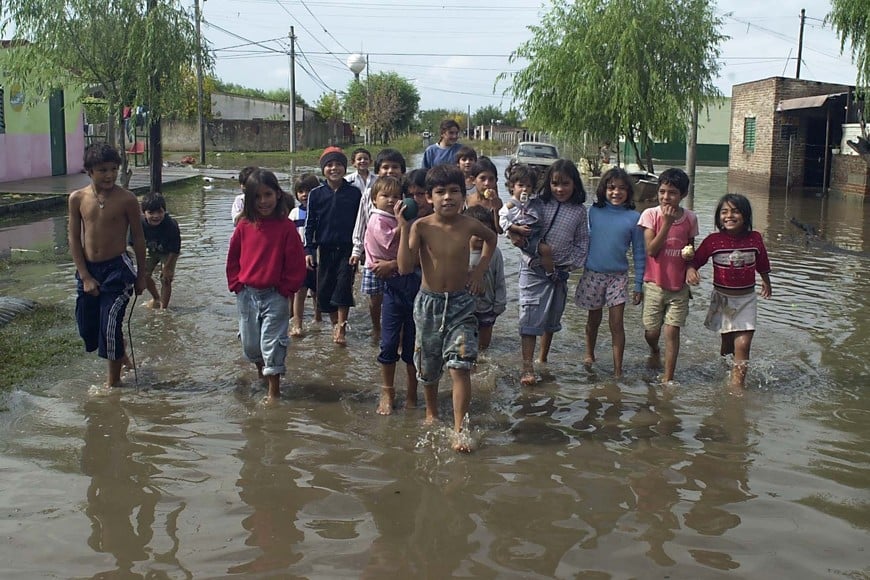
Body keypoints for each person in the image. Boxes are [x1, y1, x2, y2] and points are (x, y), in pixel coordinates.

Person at [396, 164, 497, 452]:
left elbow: (491, 238)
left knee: (460, 366)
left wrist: (478, 272)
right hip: (429, 304)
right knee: (427, 367)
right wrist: (404, 229)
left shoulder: (468, 224)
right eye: (440, 192)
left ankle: (460, 429)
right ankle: (431, 411)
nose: (447, 197)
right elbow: (404, 267)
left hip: (461, 304)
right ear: (428, 197)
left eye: (454, 191)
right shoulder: (422, 226)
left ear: (464, 196)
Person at [68, 142, 146, 388]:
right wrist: (85, 276)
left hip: (117, 270)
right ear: (89, 171)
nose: (109, 175)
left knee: (110, 325)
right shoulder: (77, 198)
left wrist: (141, 275)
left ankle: (112, 384)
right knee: (88, 329)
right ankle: (121, 355)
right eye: (102, 170)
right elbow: (73, 237)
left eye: (114, 169)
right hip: (88, 269)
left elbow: (139, 238)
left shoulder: (128, 199)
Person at [227, 169, 306, 401]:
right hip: (247, 295)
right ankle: (262, 373)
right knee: (251, 346)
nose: (263, 201)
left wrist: (286, 290)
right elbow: (233, 258)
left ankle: (274, 393)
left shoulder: (286, 228)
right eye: (257, 197)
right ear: (249, 200)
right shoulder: (244, 226)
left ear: (278, 195)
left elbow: (296, 264)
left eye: (268, 194)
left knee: (272, 343)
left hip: (275, 296)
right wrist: (236, 284)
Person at [511, 159, 589, 386]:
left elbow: (582, 243)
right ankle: (527, 366)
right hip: (532, 269)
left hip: (560, 274)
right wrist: (516, 235)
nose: (560, 189)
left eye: (565, 184)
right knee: (530, 316)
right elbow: (516, 223)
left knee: (551, 319)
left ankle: (542, 358)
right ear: (548, 184)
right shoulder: (537, 204)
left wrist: (569, 265)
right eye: (555, 183)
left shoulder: (579, 212)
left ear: (575, 184)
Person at [687, 193, 772, 391]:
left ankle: (737, 387)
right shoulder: (713, 241)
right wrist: (690, 270)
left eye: (735, 211)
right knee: (727, 343)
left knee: (742, 343)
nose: (729, 216)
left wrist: (766, 281)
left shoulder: (755, 238)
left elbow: (762, 263)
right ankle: (724, 368)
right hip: (722, 299)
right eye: (724, 212)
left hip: (746, 299)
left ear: (745, 216)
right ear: (718, 217)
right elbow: (696, 261)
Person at [573, 167, 645, 378]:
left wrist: (638, 285)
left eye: (622, 189)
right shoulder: (594, 212)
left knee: (616, 323)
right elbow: (582, 240)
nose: (616, 192)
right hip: (593, 273)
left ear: (629, 192)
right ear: (603, 189)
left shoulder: (634, 217)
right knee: (593, 320)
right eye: (611, 188)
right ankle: (589, 354)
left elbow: (639, 253)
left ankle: (617, 369)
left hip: (618, 277)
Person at [362, 176, 422, 415]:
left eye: (396, 196)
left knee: (412, 347)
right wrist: (403, 224)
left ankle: (412, 392)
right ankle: (387, 391)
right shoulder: (379, 219)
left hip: (417, 288)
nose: (391, 200)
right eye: (385, 196)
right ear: (374, 199)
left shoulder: (413, 218)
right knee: (388, 344)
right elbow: (390, 245)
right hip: (393, 288)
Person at [637, 167, 699, 384]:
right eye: (662, 191)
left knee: (672, 331)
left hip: (679, 287)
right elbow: (652, 250)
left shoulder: (690, 218)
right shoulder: (650, 215)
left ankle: (667, 378)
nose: (666, 197)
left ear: (682, 195)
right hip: (654, 285)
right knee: (652, 332)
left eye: (672, 192)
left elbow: (690, 250)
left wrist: (691, 268)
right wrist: (667, 223)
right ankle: (654, 350)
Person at [305, 147, 362, 346]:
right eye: (329, 165)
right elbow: (309, 224)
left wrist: (359, 250)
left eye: (338, 164)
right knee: (326, 289)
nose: (334, 168)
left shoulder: (355, 193)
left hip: (347, 249)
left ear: (345, 167)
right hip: (325, 249)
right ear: (323, 170)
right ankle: (334, 323)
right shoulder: (316, 194)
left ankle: (341, 328)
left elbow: (360, 223)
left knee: (344, 287)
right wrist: (309, 250)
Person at [350, 148, 407, 341]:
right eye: (385, 167)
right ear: (378, 170)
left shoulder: (406, 195)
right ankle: (377, 329)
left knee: (399, 298)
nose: (390, 171)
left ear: (402, 170)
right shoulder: (369, 193)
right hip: (373, 257)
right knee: (376, 299)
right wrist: (357, 250)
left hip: (398, 258)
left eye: (395, 167)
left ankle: (398, 332)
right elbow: (361, 221)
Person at [499, 163, 557, 280]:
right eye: (520, 185)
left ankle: (535, 261)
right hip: (525, 236)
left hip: (534, 232)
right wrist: (515, 229)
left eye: (528, 186)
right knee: (546, 250)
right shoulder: (511, 205)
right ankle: (551, 274)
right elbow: (502, 220)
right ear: (512, 187)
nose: (524, 189)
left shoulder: (532, 202)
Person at [464, 205, 506, 351]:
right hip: (463, 308)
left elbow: (499, 280)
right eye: (477, 232)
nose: (481, 237)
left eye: (486, 231)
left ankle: (482, 365)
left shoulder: (495, 254)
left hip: (487, 307)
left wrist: (499, 303)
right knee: (464, 345)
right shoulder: (460, 252)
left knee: (483, 347)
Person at [288, 173, 322, 336]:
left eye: (309, 190)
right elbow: (289, 237)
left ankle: (318, 319)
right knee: (299, 292)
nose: (304, 194)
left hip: (319, 255)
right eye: (301, 191)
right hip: (299, 257)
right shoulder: (294, 213)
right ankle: (297, 323)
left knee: (317, 292)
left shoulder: (322, 211)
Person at [138, 192, 181, 310]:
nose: (156, 216)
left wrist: (167, 268)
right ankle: (156, 298)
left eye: (160, 212)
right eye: (151, 213)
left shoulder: (171, 225)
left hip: (169, 252)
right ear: (144, 213)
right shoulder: (139, 223)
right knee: (143, 274)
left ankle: (163, 309)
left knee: (166, 279)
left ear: (164, 212)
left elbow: (175, 249)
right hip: (150, 249)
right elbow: (132, 244)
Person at [465, 156, 504, 233]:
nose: (487, 183)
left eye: (491, 179)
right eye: (482, 179)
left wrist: (496, 209)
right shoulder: (465, 201)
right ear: (473, 180)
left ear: (496, 181)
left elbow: (500, 230)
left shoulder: (497, 203)